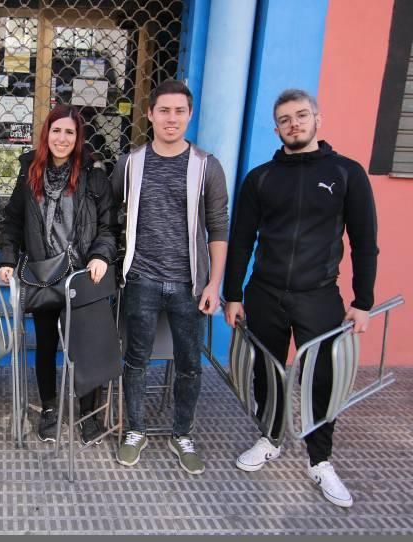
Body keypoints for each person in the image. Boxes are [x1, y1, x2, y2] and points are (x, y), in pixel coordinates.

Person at [223, 89, 378, 508]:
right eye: (285, 119)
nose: (294, 124)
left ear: (317, 119)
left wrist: (363, 300)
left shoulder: (346, 173)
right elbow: (240, 241)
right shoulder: (261, 178)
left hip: (319, 295)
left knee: (321, 379)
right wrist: (232, 295)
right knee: (267, 374)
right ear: (276, 128)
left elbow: (365, 242)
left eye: (301, 116)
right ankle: (270, 438)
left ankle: (320, 460)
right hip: (265, 293)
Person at [111, 79, 229, 474]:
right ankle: (136, 430)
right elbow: (112, 215)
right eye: (164, 110)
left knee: (189, 364)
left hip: (189, 285)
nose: (171, 118)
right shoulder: (130, 163)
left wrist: (214, 284)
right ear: (150, 114)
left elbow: (218, 226)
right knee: (136, 359)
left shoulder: (206, 166)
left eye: (179, 111)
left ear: (189, 115)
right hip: (140, 279)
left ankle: (183, 433)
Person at [0, 104, 118, 445]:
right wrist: (7, 258)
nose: (62, 138)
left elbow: (109, 226)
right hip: (43, 274)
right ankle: (49, 408)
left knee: (86, 348)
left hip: (82, 276)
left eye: (69, 132)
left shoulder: (94, 176)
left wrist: (100, 256)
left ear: (78, 137)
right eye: (56, 131)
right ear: (46, 134)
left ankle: (88, 413)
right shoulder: (29, 171)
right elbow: (12, 222)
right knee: (47, 345)